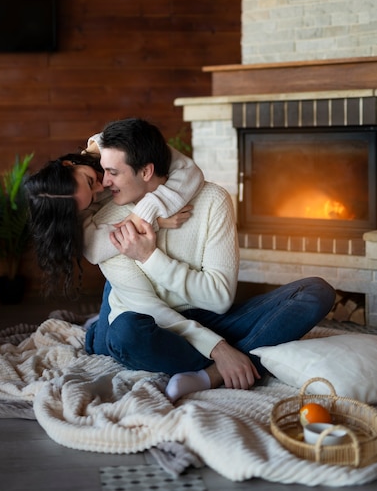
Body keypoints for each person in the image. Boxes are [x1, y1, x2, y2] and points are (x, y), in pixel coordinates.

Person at [83, 117, 336, 402]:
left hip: (206, 314)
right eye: (104, 171)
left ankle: (211, 374)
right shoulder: (107, 221)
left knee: (316, 292)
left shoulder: (213, 200)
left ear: (146, 171)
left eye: (113, 172)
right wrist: (219, 347)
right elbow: (150, 309)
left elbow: (219, 299)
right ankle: (239, 357)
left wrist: (150, 257)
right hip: (153, 318)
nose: (105, 182)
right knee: (123, 335)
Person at [24, 134, 204, 297]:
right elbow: (94, 250)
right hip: (122, 283)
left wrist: (147, 210)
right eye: (94, 198)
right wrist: (151, 221)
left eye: (90, 180)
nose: (101, 187)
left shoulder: (121, 143)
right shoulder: (72, 201)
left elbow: (189, 172)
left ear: (68, 164)